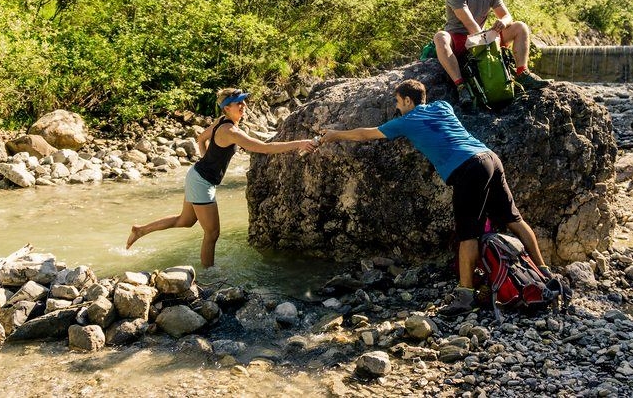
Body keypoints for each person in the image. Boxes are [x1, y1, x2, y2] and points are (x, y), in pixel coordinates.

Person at [319, 79, 551, 315]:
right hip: (489, 157)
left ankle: (465, 296)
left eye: (398, 102)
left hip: (468, 169)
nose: (397, 107)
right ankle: (544, 273)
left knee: (468, 234)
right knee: (514, 219)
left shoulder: (406, 121)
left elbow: (365, 135)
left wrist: (335, 134)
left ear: (408, 100)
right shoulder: (443, 106)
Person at [126, 88, 317, 267]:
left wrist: (206, 160)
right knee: (212, 233)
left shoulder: (221, 122)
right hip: (201, 181)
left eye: (243, 101)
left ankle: (140, 230)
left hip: (197, 176)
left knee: (184, 221)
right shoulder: (230, 131)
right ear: (227, 108)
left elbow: (201, 139)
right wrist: (300, 143)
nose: (243, 106)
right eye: (238, 103)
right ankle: (208, 275)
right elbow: (264, 148)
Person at [433, 0, 552, 107]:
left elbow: (507, 15)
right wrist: (491, 40)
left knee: (520, 27)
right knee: (440, 37)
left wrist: (503, 22)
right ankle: (461, 86)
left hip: (482, 35)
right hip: (459, 39)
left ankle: (522, 73)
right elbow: (471, 25)